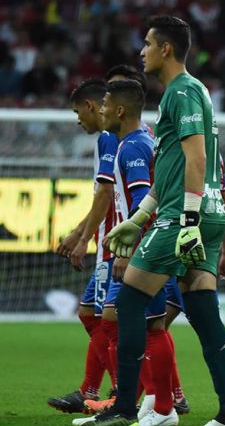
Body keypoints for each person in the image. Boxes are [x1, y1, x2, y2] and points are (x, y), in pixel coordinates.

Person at [91, 15, 225, 426]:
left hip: (185, 216)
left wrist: (188, 219)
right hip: (201, 213)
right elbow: (170, 170)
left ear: (166, 49)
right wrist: (137, 218)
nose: (141, 51)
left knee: (127, 302)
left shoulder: (183, 92)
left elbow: (197, 157)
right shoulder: (188, 93)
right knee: (204, 313)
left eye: (146, 43)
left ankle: (124, 407)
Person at [160, 154, 225, 423]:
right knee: (207, 327)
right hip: (208, 235)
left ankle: (151, 404)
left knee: (149, 322)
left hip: (180, 235)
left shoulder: (180, 149)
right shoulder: (215, 154)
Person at [48, 78, 116, 415]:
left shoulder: (110, 138)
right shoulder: (120, 138)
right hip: (113, 239)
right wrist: (80, 232)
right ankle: (94, 389)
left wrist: (84, 238)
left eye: (79, 112)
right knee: (93, 314)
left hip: (118, 243)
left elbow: (106, 194)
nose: (78, 120)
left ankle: (126, 392)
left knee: (113, 320)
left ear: (91, 106)